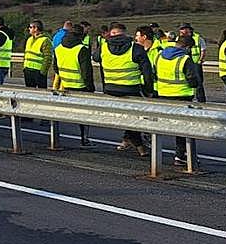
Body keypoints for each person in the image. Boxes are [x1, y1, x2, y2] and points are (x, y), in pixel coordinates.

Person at [96, 22, 153, 156]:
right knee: (137, 117)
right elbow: (147, 72)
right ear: (125, 33)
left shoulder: (103, 47)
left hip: (110, 89)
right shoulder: (136, 48)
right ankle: (139, 146)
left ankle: (130, 141)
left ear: (111, 33)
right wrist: (148, 90)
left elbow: (95, 57)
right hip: (131, 89)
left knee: (131, 117)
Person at [154, 33, 205, 167]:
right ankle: (182, 155)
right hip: (182, 96)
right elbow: (193, 80)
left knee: (167, 127)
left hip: (163, 94)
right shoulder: (184, 59)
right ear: (187, 47)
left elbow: (155, 73)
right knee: (184, 128)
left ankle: (170, 154)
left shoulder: (160, 55)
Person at [51, 24, 94, 146]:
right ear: (81, 35)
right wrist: (91, 88)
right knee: (84, 116)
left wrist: (65, 78)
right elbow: (87, 72)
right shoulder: (81, 49)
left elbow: (56, 67)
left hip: (66, 85)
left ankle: (56, 139)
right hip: (81, 86)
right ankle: (84, 139)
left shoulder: (58, 48)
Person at [23, 20, 51, 89]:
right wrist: (24, 68)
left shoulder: (45, 40)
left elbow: (48, 57)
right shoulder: (29, 39)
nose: (29, 29)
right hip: (28, 70)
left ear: (36, 28)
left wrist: (43, 72)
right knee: (29, 92)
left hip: (38, 72)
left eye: (30, 27)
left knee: (41, 93)